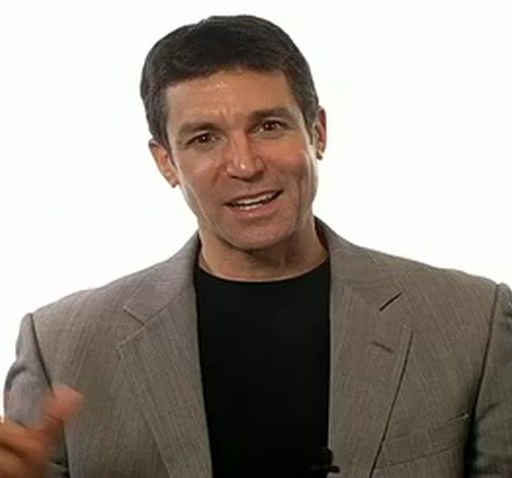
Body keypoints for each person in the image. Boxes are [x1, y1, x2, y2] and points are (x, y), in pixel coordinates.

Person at [2, 14, 512, 478]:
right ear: (167, 163)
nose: (245, 165)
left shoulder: (474, 323)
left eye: (269, 126)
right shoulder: (60, 345)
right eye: (204, 138)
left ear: (317, 133)